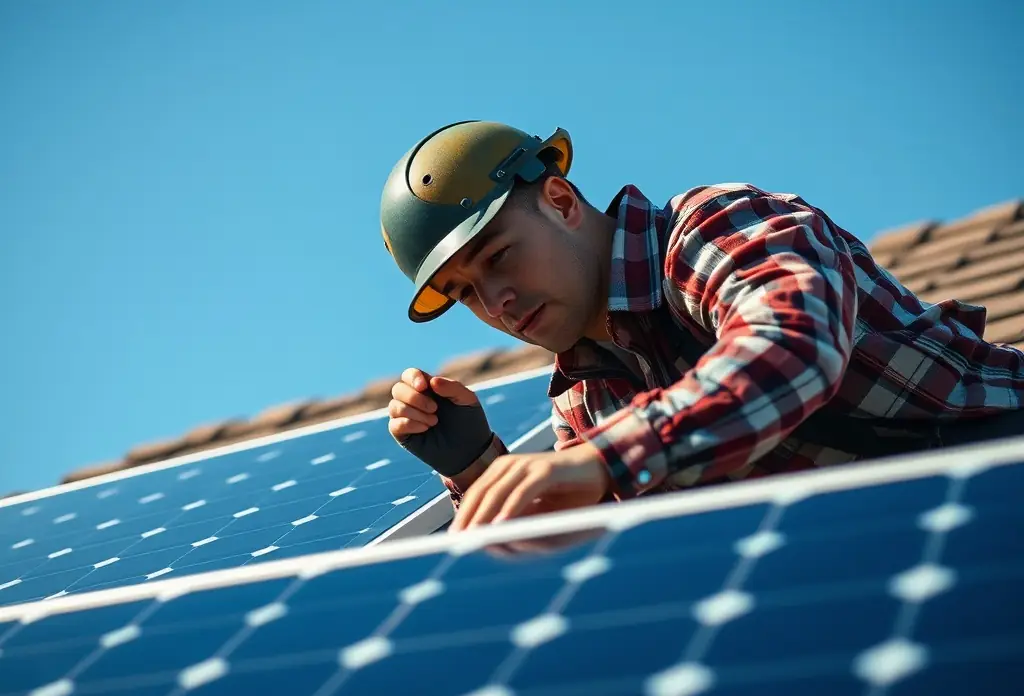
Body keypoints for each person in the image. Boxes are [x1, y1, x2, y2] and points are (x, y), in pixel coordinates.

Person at [378, 120, 1024, 533]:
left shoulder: (709, 227)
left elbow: (792, 344)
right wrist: (476, 470)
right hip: (901, 550)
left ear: (561, 201)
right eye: (463, 293)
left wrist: (608, 458)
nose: (497, 301)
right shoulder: (584, 400)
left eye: (498, 257)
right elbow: (603, 566)